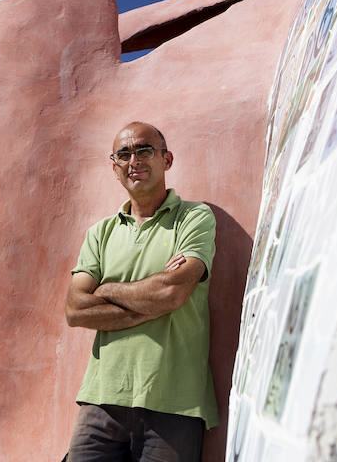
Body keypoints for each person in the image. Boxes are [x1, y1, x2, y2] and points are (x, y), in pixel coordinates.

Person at [65, 121, 218, 461]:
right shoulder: (99, 233)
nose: (134, 160)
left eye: (145, 150)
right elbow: (75, 310)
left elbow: (172, 294)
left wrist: (105, 289)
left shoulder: (194, 217)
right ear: (115, 167)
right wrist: (152, 298)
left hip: (174, 400)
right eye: (124, 154)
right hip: (101, 399)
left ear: (167, 159)